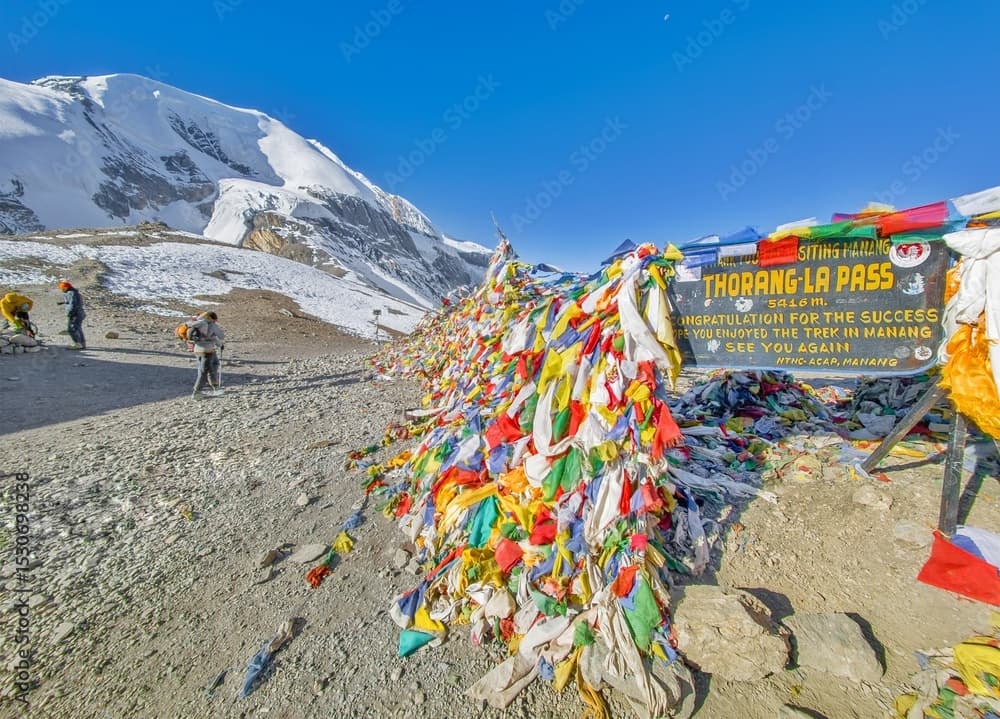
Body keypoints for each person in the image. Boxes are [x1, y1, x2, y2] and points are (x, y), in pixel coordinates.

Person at [190, 311, 225, 399]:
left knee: (212, 366)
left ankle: (215, 387)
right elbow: (221, 336)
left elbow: (209, 337)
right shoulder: (211, 325)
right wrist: (220, 343)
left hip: (198, 350)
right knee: (204, 371)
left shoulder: (196, 323)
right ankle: (197, 392)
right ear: (213, 318)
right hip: (207, 351)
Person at [57, 280, 86, 349]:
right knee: (78, 328)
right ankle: (82, 343)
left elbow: (73, 304)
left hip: (75, 314)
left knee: (71, 329)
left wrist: (71, 314)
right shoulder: (74, 292)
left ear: (66, 288)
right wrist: (63, 302)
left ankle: (77, 344)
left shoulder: (71, 293)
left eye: (62, 288)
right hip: (80, 313)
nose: (61, 290)